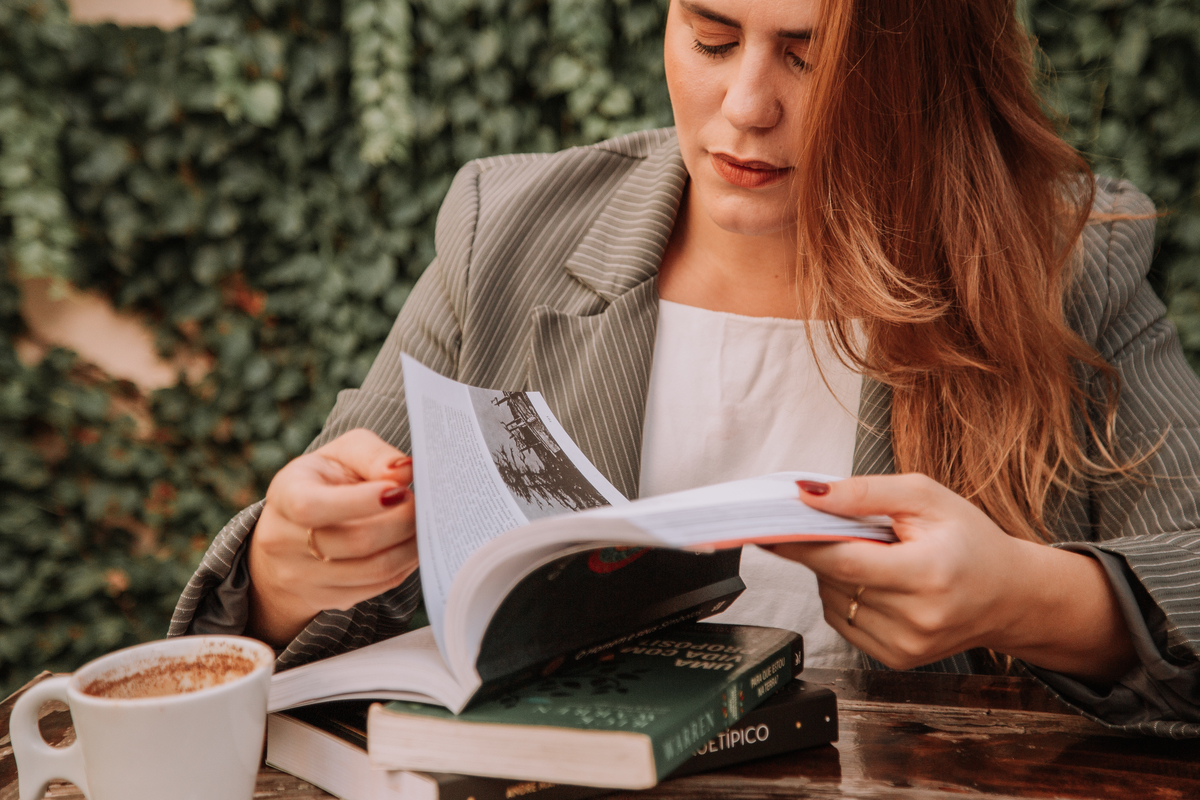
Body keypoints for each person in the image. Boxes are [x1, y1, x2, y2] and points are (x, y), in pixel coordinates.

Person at [171, 0, 1200, 736]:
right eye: (710, 36)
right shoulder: (509, 234)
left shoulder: (1065, 263)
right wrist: (282, 571)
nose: (746, 105)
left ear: (919, 68)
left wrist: (1033, 598)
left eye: (808, 53)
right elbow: (302, 597)